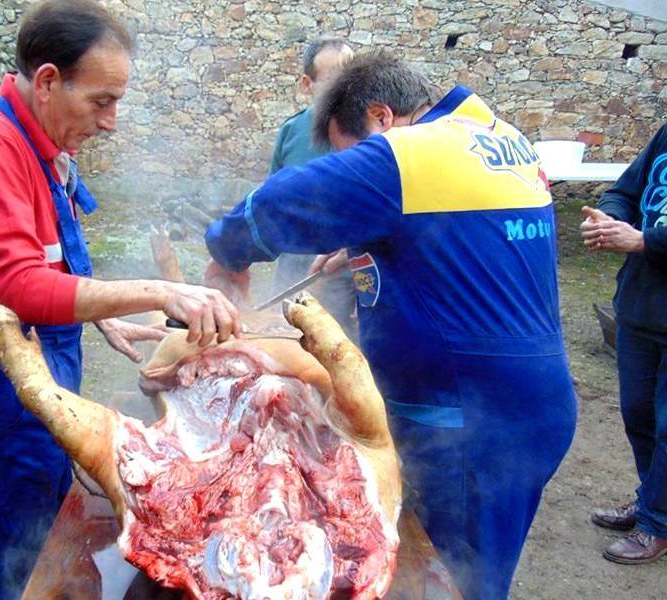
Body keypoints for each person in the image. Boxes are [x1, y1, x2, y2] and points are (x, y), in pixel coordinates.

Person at [204, 51, 577, 599]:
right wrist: (374, 245)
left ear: (381, 117)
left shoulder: (410, 152)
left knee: (445, 580)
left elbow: (286, 201)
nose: (357, 163)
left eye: (348, 152)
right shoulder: (492, 136)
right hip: (522, 409)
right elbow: (465, 248)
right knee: (457, 573)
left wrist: (226, 254)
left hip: (471, 426)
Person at [0, 1, 239, 598]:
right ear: (47, 81)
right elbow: (16, 284)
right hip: (7, 374)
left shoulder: (42, 143)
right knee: (18, 542)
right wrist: (161, 290)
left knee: (52, 516)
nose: (113, 121)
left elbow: (50, 256)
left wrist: (101, 321)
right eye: (102, 101)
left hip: (51, 351)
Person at [581, 124, 667, 565]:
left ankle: (656, 523)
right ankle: (652, 498)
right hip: (640, 304)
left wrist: (644, 240)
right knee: (639, 414)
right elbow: (624, 189)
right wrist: (612, 219)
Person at [269, 35, 358, 339]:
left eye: (352, 76)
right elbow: (272, 205)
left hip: (346, 279)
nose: (347, 89)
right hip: (292, 273)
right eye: (335, 79)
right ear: (308, 84)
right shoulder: (291, 132)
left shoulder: (372, 135)